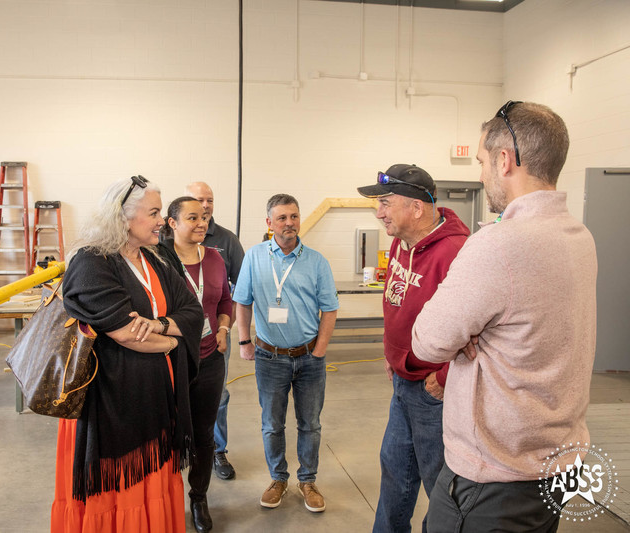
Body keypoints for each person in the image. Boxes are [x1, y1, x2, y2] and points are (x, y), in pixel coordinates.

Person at [411, 102, 598, 532]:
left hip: (494, 479)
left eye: (480, 161)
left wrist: (466, 334)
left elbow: (427, 341)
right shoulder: (579, 236)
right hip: (556, 463)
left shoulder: (496, 245)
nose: (480, 174)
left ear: (504, 160)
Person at [51, 176, 203, 533]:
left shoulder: (155, 259)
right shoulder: (92, 262)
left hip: (156, 402)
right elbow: (125, 334)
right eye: (153, 213)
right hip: (110, 410)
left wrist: (158, 326)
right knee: (118, 496)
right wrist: (173, 341)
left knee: (153, 489)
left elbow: (193, 313)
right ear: (122, 217)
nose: (162, 221)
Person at [358, 164, 470, 532]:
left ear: (417, 207)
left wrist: (443, 375)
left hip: (433, 391)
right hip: (403, 383)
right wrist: (393, 354)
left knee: (439, 483)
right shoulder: (399, 242)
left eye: (386, 203)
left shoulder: (457, 252)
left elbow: (479, 327)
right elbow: (397, 302)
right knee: (394, 470)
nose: (379, 213)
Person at [234, 193, 339, 513]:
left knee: (310, 423)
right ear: (269, 223)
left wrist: (319, 351)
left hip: (309, 358)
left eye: (293, 216)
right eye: (282, 218)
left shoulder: (317, 261)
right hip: (270, 358)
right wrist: (243, 341)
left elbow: (330, 309)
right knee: (271, 424)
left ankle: (307, 480)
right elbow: (243, 301)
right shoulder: (254, 257)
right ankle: (278, 478)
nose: (289, 223)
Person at [157, 196, 233, 533]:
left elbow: (226, 300)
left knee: (204, 433)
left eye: (204, 217)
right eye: (193, 217)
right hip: (172, 360)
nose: (202, 223)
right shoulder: (158, 261)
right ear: (172, 224)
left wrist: (225, 327)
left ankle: (198, 497)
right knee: (169, 431)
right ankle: (165, 496)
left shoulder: (215, 257)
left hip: (211, 358)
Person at [185, 182, 245, 481]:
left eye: (209, 200)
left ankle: (217, 450)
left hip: (218, 332)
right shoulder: (172, 241)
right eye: (199, 200)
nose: (205, 206)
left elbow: (241, 287)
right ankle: (182, 448)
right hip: (179, 337)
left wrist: (226, 325)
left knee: (217, 393)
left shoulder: (226, 241)